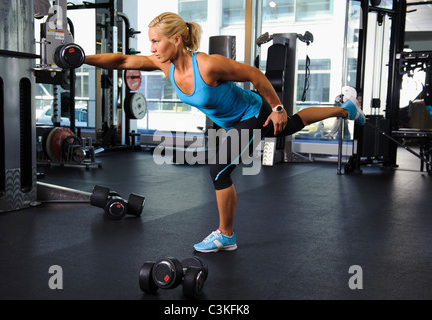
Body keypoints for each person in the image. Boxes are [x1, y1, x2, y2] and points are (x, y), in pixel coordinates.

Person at [84, 12, 365, 253]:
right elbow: (122, 61)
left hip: (252, 113)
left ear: (177, 39)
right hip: (233, 121)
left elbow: (255, 74)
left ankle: (226, 235)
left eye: (156, 41)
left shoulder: (207, 65)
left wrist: (277, 106)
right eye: (151, 42)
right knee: (290, 126)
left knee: (219, 170)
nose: (152, 47)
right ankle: (346, 110)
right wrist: (81, 58)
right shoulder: (162, 63)